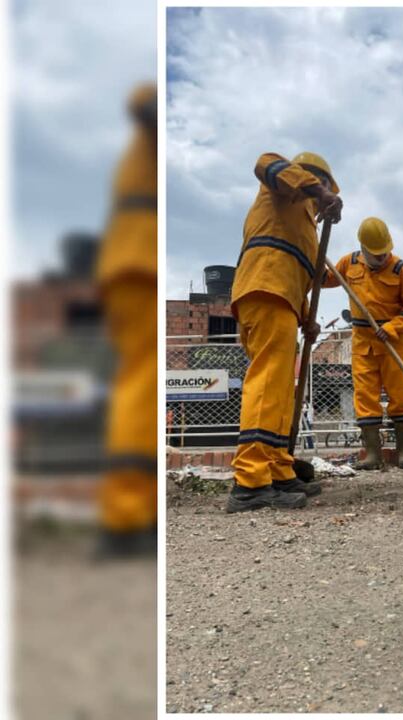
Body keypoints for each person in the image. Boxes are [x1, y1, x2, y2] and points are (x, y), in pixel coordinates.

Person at [225, 150, 342, 513]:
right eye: (321, 183)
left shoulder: (306, 227)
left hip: (282, 299)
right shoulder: (279, 188)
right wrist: (317, 191)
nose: (323, 191)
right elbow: (266, 162)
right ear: (310, 177)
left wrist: (307, 317)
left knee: (279, 391)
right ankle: (250, 482)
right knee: (267, 383)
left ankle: (277, 470)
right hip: (264, 290)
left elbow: (301, 276)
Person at [95, 83, 158, 556]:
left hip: (136, 263)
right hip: (141, 263)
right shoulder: (148, 98)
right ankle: (125, 516)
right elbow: (146, 103)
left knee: (143, 385)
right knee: (142, 382)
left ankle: (139, 511)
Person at [322, 217, 403, 470]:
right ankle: (373, 455)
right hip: (363, 341)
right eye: (376, 254)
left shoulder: (400, 269)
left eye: (384, 252)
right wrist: (314, 259)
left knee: (401, 395)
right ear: (363, 249)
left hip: (395, 341)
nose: (381, 258)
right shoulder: (349, 263)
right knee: (365, 396)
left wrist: (392, 327)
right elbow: (325, 280)